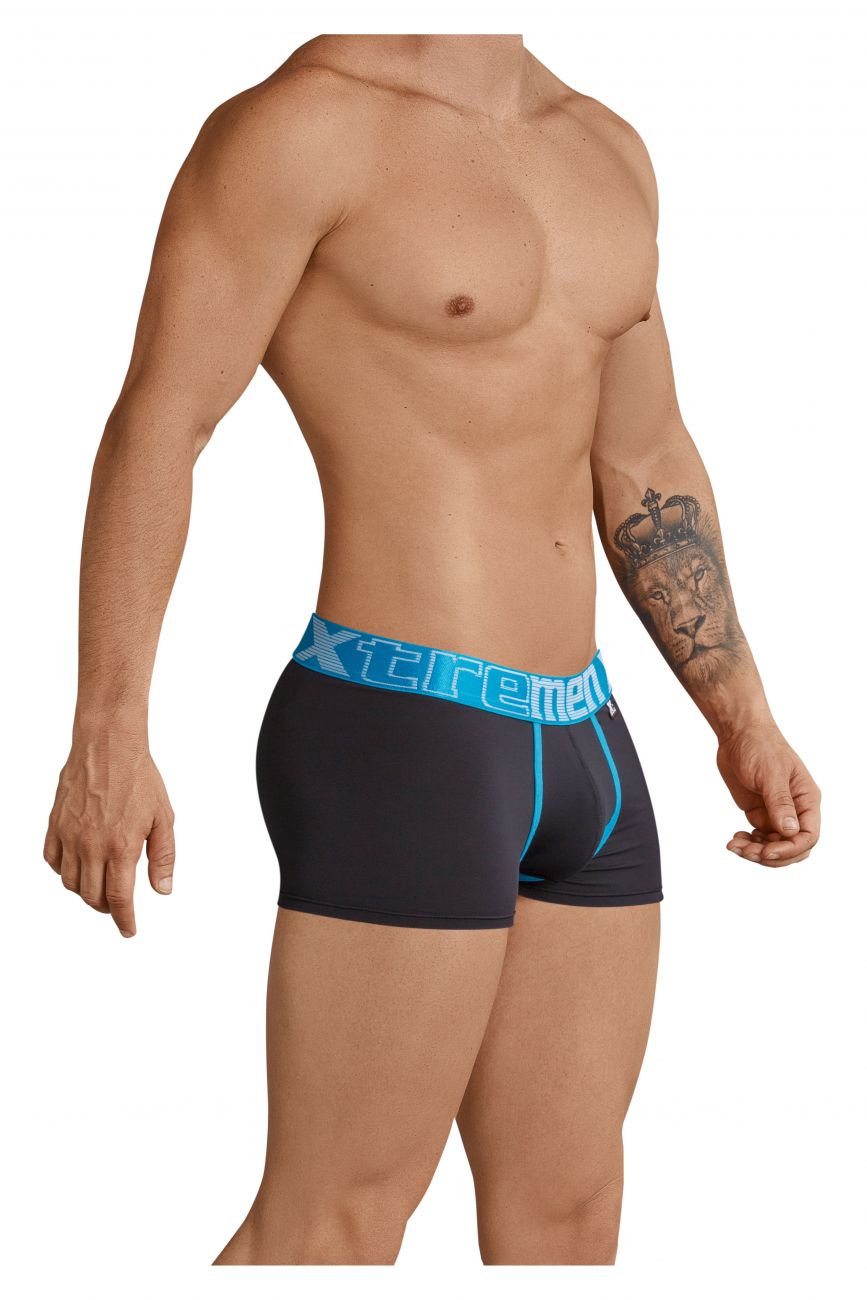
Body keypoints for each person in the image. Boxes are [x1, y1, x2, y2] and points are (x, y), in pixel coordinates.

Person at [42, 34, 821, 1266]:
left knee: (569, 1223)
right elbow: (160, 421)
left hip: (589, 743)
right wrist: (108, 727)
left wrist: (744, 714)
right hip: (401, 729)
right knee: (332, 1227)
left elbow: (646, 452)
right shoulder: (301, 127)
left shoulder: (604, 145)